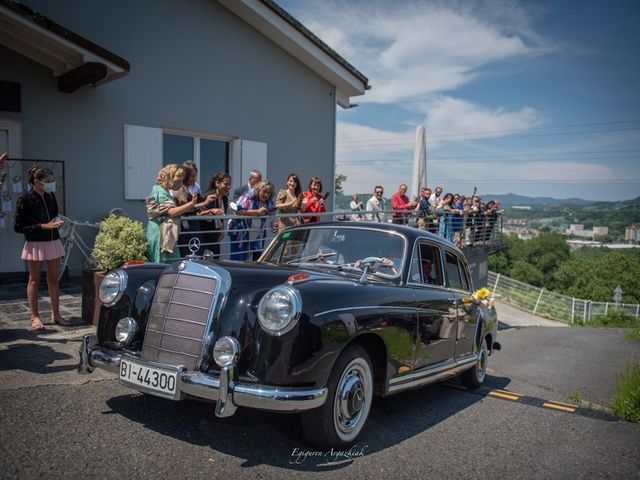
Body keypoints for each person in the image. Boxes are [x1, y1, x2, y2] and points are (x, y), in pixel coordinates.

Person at [13, 165, 69, 330]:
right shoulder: (25, 200)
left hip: (53, 242)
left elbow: (53, 217)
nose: (52, 184)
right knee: (34, 279)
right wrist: (43, 226)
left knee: (53, 279)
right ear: (37, 182)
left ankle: (56, 314)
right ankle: (35, 317)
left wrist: (57, 222)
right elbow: (19, 227)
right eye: (49, 181)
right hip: (35, 243)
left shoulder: (51, 196)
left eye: (53, 181)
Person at [146, 164, 197, 263]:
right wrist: (191, 204)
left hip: (167, 232)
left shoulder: (164, 191)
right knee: (161, 264)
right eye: (179, 179)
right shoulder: (159, 192)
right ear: (169, 177)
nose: (181, 183)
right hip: (160, 233)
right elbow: (171, 212)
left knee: (169, 263)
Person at [232, 180, 275, 261]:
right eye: (264, 191)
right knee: (239, 260)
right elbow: (239, 210)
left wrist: (273, 221)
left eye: (268, 193)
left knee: (257, 259)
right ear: (259, 189)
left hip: (257, 234)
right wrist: (257, 212)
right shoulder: (249, 195)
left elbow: (272, 211)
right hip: (241, 232)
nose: (266, 195)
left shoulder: (268, 201)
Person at [198, 172, 231, 258]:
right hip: (206, 234)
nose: (228, 187)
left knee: (216, 258)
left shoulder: (224, 198)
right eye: (226, 184)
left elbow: (221, 216)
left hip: (216, 234)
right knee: (206, 259)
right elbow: (200, 214)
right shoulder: (209, 196)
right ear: (217, 183)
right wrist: (212, 211)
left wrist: (222, 229)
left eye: (230, 185)